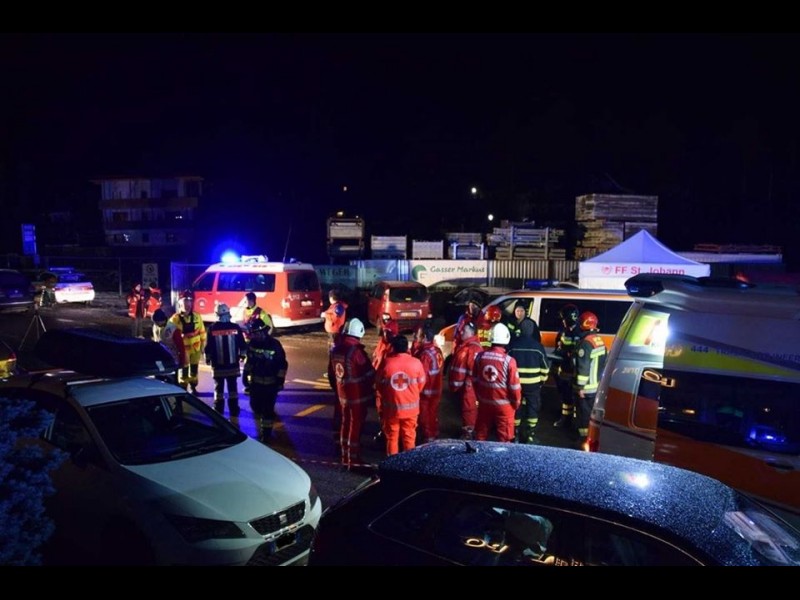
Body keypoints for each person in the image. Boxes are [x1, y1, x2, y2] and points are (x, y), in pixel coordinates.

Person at [328, 318, 375, 468]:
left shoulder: (336, 350)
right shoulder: (356, 352)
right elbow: (369, 374)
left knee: (345, 423)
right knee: (355, 427)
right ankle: (353, 460)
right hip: (357, 397)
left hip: (342, 396)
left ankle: (344, 457)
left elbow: (331, 374)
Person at [375, 335, 426, 456]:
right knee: (409, 438)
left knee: (392, 438)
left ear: (393, 348)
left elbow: (378, 385)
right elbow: (421, 384)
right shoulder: (416, 363)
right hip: (411, 411)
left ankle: (392, 464)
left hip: (391, 410)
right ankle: (408, 464)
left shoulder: (386, 363)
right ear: (407, 348)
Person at [472, 322, 522, 443]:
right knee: (505, 440)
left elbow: (475, 380)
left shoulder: (480, 356)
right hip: (504, 408)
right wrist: (516, 404)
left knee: (480, 436)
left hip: (484, 404)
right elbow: (514, 388)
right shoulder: (509, 361)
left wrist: (480, 398)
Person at [243, 317, 287, 442]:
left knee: (268, 410)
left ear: (262, 332)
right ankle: (264, 426)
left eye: (256, 333)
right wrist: (245, 374)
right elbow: (250, 360)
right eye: (253, 334)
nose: (254, 336)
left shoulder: (274, 344)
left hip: (271, 384)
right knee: (255, 406)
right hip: (256, 383)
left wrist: (280, 380)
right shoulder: (252, 344)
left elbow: (282, 364)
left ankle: (266, 433)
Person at [507, 318, 550, 444]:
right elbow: (545, 368)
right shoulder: (538, 347)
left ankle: (515, 433)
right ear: (532, 331)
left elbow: (506, 365)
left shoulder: (513, 346)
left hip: (516, 384)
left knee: (516, 407)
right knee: (533, 407)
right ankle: (530, 434)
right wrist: (541, 381)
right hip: (533, 385)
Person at [205, 303, 247, 417]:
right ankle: (234, 409)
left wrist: (208, 358)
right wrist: (242, 355)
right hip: (232, 365)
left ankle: (218, 409)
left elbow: (208, 346)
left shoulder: (212, 328)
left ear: (216, 314)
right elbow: (242, 344)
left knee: (219, 388)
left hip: (218, 365)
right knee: (232, 388)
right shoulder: (235, 327)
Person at [573, 311, 608, 446]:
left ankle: (584, 440)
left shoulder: (586, 343)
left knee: (584, 415)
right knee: (592, 414)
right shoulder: (599, 340)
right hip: (596, 386)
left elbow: (583, 367)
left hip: (586, 388)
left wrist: (580, 387)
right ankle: (591, 438)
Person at [448, 320, 484, 440]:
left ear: (471, 333)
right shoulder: (468, 347)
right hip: (468, 387)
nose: (461, 332)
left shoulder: (471, 349)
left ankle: (469, 434)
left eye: (464, 331)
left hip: (469, 388)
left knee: (469, 410)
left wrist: (456, 385)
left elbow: (464, 371)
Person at [411, 321, 444, 443]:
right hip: (436, 390)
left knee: (425, 418)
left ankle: (428, 441)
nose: (416, 337)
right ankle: (434, 436)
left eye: (418, 335)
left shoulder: (425, 355)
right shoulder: (437, 350)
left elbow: (421, 376)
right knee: (432, 416)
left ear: (424, 337)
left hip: (426, 393)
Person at [169, 290, 207, 394]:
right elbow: (169, 336)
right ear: (180, 302)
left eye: (190, 300)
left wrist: (203, 346)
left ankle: (194, 387)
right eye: (185, 300)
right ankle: (183, 390)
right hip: (183, 350)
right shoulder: (175, 319)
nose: (188, 304)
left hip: (195, 349)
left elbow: (202, 332)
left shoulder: (197, 316)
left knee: (194, 370)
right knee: (183, 372)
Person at [553, 303, 581, 429]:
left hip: (573, 371)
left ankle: (572, 421)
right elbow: (559, 347)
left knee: (572, 397)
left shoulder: (578, 333)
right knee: (565, 396)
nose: (562, 321)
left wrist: (564, 352)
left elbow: (573, 353)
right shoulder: (565, 331)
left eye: (564, 319)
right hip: (564, 369)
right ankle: (566, 419)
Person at [241, 291, 274, 393]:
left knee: (254, 364)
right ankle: (249, 384)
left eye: (246, 300)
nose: (244, 302)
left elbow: (269, 326)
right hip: (247, 341)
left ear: (251, 301)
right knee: (248, 364)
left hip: (256, 342)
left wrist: (264, 338)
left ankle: (253, 384)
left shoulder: (260, 312)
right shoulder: (245, 311)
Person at [151, 307, 183, 385]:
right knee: (158, 381)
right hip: (160, 359)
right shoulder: (155, 327)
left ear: (162, 320)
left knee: (171, 382)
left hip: (172, 359)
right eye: (155, 322)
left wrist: (182, 361)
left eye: (157, 322)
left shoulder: (173, 329)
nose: (156, 324)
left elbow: (181, 346)